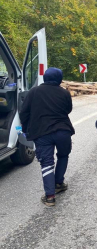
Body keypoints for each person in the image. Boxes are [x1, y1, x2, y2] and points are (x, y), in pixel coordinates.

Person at [20, 67, 75, 207]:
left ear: (44, 78)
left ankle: (50, 197)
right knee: (63, 155)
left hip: (42, 133)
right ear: (60, 79)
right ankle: (59, 183)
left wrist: (26, 129)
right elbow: (68, 110)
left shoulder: (34, 92)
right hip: (63, 131)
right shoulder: (64, 93)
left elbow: (24, 112)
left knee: (47, 163)